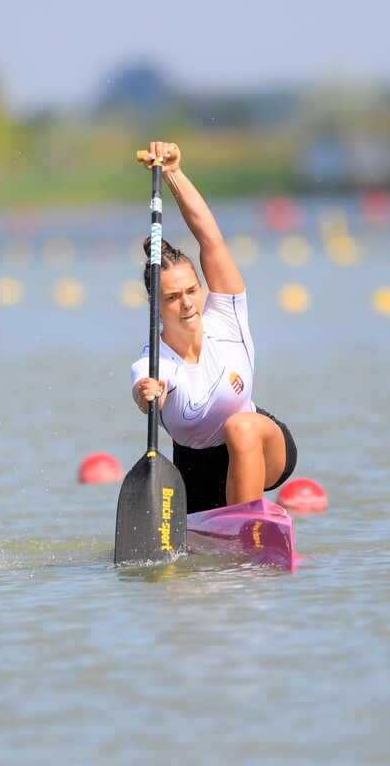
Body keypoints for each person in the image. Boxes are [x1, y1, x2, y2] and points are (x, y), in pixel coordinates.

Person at [130, 141, 297, 514]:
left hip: (260, 446)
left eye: (192, 290)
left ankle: (246, 525)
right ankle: (231, 523)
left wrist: (173, 173)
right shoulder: (156, 362)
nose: (187, 303)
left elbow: (211, 239)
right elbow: (144, 391)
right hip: (194, 474)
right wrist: (147, 394)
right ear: (156, 306)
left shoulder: (225, 314)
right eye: (173, 297)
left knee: (241, 426)